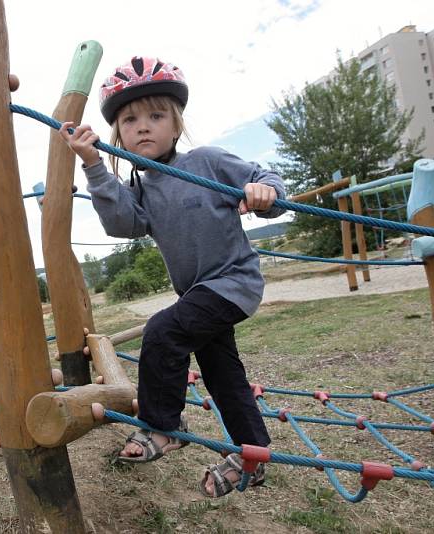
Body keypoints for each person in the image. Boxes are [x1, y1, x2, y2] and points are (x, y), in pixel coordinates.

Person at [58, 56, 286, 498]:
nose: (143, 127)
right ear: (117, 134)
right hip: (201, 292)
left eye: (156, 116)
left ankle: (165, 426)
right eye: (130, 120)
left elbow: (267, 182)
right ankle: (253, 455)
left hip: (233, 283)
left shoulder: (206, 162)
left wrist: (266, 192)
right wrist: (92, 165)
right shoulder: (139, 190)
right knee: (222, 372)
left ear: (176, 126)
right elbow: (122, 223)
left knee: (164, 330)